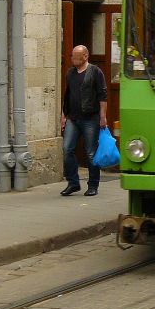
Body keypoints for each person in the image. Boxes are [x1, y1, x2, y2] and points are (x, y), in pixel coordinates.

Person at [60, 45, 108, 197]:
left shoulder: (95, 72)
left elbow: (102, 95)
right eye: (72, 56)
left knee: (91, 153)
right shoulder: (71, 73)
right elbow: (67, 95)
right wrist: (63, 115)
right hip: (72, 118)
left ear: (85, 56)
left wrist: (103, 116)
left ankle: (93, 185)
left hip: (90, 119)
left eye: (75, 56)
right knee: (67, 149)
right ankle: (73, 183)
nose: (72, 59)